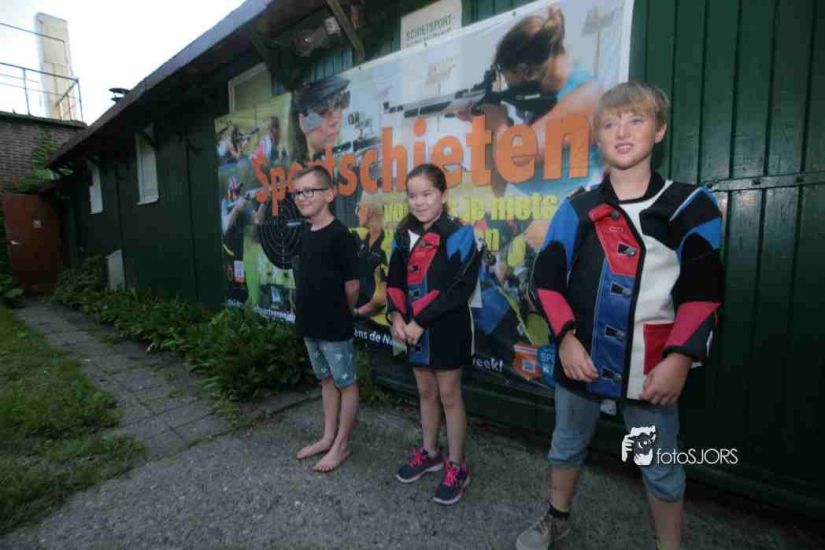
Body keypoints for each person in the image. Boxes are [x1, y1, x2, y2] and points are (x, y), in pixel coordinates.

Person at [517, 82, 724, 550]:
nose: (622, 131)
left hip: (651, 372)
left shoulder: (690, 205)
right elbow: (546, 279)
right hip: (580, 363)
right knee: (566, 446)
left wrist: (679, 359)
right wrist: (565, 339)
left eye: (636, 120)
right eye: (610, 124)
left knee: (658, 465)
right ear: (597, 139)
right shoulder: (576, 207)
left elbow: (704, 291)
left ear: (660, 130)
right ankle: (557, 519)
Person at [386, 163, 483, 505]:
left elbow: (458, 289)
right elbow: (393, 280)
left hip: (447, 328)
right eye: (413, 196)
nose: (420, 202)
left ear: (443, 194)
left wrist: (419, 321)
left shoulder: (460, 233)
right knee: (425, 392)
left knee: (449, 396)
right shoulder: (402, 234)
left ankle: (457, 465)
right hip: (412, 331)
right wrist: (396, 316)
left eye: (427, 194)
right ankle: (430, 452)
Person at [292, 165, 360, 473]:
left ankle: (342, 445)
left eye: (309, 191)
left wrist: (342, 310)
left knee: (346, 382)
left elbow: (352, 286)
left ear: (330, 194)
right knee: (327, 380)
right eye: (297, 192)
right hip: (310, 324)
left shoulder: (340, 235)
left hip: (335, 326)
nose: (302, 197)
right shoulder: (307, 233)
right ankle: (328, 437)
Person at [353, 192, 389, 321]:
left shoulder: (387, 244)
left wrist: (356, 313)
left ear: (368, 211)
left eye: (358, 208)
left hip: (379, 323)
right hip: (360, 319)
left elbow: (382, 298)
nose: (356, 213)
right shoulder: (362, 237)